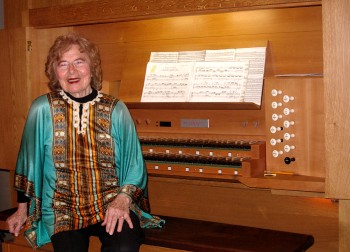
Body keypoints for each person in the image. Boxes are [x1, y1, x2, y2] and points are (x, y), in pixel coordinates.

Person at [6, 33, 164, 252]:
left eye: (79, 62)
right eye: (63, 64)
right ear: (54, 72)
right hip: (62, 208)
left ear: (92, 67)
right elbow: (28, 161)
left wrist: (123, 199)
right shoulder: (41, 109)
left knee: (125, 247)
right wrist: (21, 209)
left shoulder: (116, 109)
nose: (72, 71)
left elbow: (135, 165)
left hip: (110, 203)